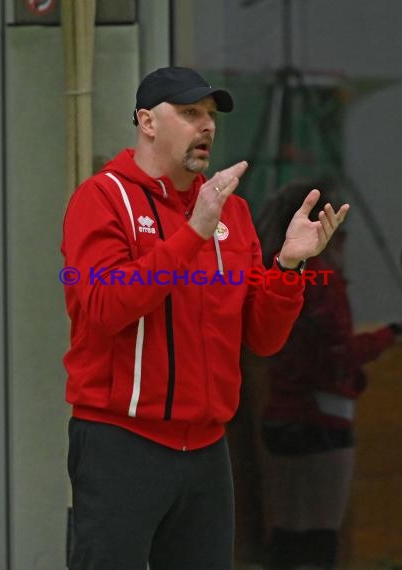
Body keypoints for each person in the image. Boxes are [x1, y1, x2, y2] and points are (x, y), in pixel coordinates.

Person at [61, 67, 349, 570]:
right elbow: (105, 309)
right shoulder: (103, 198)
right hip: (120, 444)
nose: (207, 126)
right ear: (147, 121)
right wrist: (193, 232)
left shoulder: (230, 213)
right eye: (190, 113)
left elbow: (262, 339)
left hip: (207, 450)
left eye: (211, 116)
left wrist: (288, 265)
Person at [250, 180, 401, 570]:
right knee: (321, 534)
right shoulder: (325, 281)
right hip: (323, 417)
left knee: (285, 532)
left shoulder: (274, 268)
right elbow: (338, 354)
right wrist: (391, 335)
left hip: (278, 414)